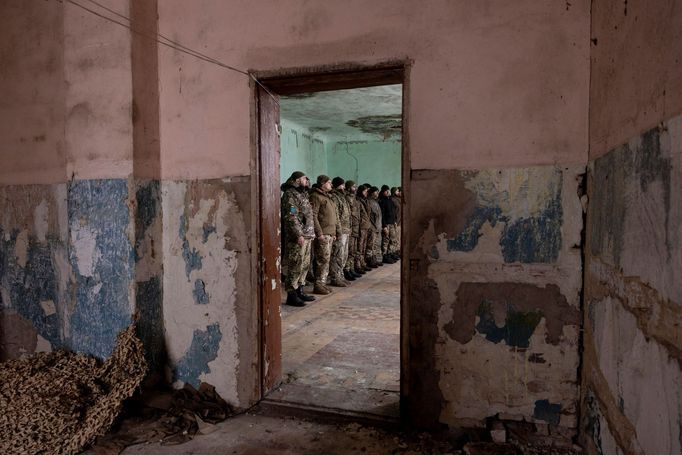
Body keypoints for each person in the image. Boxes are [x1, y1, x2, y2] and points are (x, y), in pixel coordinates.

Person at [280, 171, 316, 306]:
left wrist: (310, 233)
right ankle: (291, 294)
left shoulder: (303, 193)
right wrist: (298, 234)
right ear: (296, 179)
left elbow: (307, 215)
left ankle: (300, 290)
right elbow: (292, 216)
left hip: (307, 234)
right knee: (295, 265)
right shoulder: (290, 194)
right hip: (298, 236)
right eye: (303, 178)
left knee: (305, 265)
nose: (306, 180)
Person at [309, 175, 339, 295]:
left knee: (327, 260)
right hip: (323, 233)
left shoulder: (328, 197)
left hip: (330, 233)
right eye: (329, 182)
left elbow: (333, 217)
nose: (331, 185)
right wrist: (319, 233)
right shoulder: (316, 197)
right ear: (322, 183)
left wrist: (334, 232)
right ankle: (318, 284)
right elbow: (313, 215)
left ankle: (323, 283)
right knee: (322, 260)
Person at [328, 177, 351, 287]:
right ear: (338, 185)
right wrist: (338, 231)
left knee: (344, 255)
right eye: (342, 185)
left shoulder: (343, 196)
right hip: (340, 230)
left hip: (346, 229)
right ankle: (335, 277)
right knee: (337, 254)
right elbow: (336, 216)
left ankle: (340, 275)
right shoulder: (335, 197)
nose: (344, 187)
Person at [344, 180, 362, 280]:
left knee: (353, 251)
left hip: (355, 228)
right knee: (349, 250)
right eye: (353, 186)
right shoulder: (347, 198)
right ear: (348, 187)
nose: (355, 188)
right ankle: (346, 270)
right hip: (350, 228)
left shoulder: (354, 199)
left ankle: (351, 268)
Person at [379, 185, 398, 263]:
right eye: (386, 191)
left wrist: (395, 221)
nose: (388, 192)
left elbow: (394, 212)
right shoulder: (382, 201)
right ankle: (384, 255)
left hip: (392, 223)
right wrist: (384, 226)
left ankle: (390, 253)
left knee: (392, 240)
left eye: (388, 190)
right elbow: (382, 215)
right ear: (383, 192)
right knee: (385, 241)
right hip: (386, 224)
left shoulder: (390, 200)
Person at [366, 186, 383, 267]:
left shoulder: (376, 202)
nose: (377, 193)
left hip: (378, 227)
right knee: (370, 245)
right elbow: (369, 216)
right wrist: (372, 226)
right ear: (372, 193)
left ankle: (375, 260)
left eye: (378, 192)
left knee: (376, 245)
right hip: (372, 228)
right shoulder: (369, 202)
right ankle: (370, 261)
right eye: (376, 192)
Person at [355, 185, 371, 273]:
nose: (366, 193)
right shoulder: (358, 201)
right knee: (359, 247)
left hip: (365, 226)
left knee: (364, 246)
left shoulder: (366, 201)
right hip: (361, 226)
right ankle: (357, 265)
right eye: (364, 191)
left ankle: (362, 263)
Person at [390, 187, 402, 257]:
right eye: (397, 191)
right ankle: (396, 252)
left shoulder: (399, 199)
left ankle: (399, 251)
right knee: (396, 238)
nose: (398, 192)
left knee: (399, 238)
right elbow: (393, 212)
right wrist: (394, 220)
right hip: (396, 221)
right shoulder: (393, 200)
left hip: (400, 221)